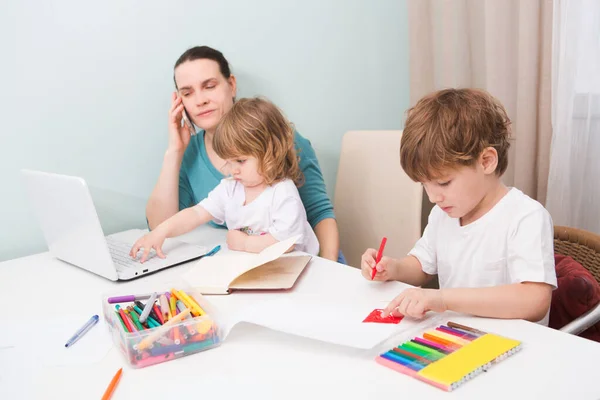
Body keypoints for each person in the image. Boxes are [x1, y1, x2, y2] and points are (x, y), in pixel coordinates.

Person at [361, 88, 557, 325]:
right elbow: (423, 265)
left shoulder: (525, 217)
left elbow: (534, 300)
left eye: (443, 182)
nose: (433, 197)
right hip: (457, 337)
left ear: (486, 161)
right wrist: (394, 268)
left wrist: (444, 299)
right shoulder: (443, 214)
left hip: (512, 346)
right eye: (425, 185)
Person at [145, 46, 343, 262]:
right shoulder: (194, 156)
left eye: (209, 86)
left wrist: (329, 266)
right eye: (187, 93)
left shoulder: (276, 139)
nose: (200, 100)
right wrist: (174, 151)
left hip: (303, 263)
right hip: (246, 263)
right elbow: (162, 224)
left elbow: (319, 213)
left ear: (231, 85)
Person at [131, 97, 319, 262]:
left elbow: (286, 244)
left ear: (271, 153)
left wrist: (245, 243)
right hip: (256, 266)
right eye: (228, 161)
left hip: (295, 268)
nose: (233, 170)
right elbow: (196, 214)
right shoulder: (231, 188)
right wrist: (160, 232)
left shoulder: (282, 192)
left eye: (241, 160)